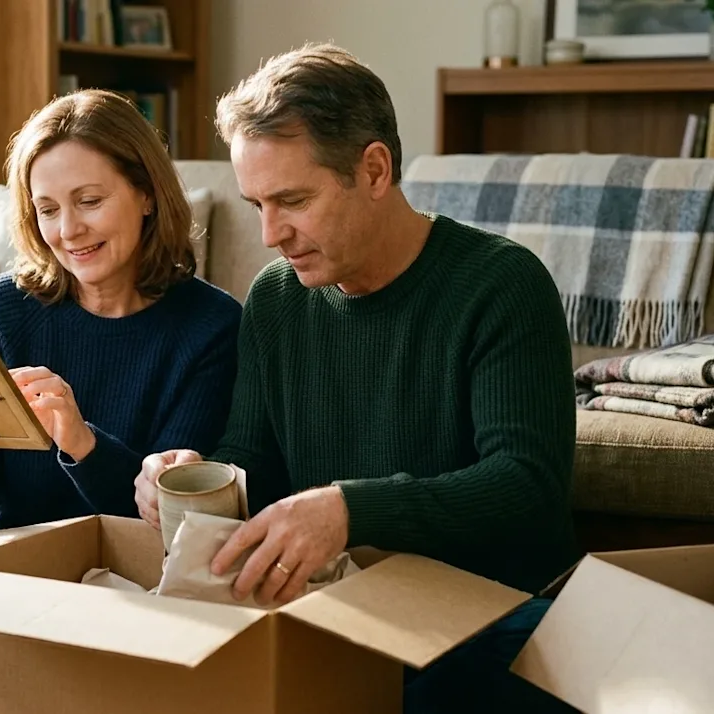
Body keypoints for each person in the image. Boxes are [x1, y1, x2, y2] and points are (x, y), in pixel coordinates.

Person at [132, 43, 579, 713]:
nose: (269, 233)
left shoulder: (501, 285)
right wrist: (201, 480)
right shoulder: (276, 298)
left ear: (374, 169)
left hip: (492, 610)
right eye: (255, 204)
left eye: (292, 200)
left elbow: (526, 485)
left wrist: (349, 508)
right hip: (339, 607)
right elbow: (255, 457)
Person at [0, 88, 242, 642]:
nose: (68, 231)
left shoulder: (212, 326)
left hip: (131, 588)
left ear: (146, 194)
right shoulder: (1, 309)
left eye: (89, 201)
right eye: (47, 209)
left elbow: (169, 529)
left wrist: (82, 443)